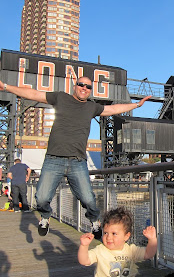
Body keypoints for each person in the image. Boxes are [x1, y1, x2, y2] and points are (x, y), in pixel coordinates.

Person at [0, 78, 151, 237]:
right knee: (42, 198)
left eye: (88, 86)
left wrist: (136, 105)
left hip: (77, 162)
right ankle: (45, 217)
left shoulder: (91, 107)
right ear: (75, 86)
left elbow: (112, 109)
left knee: (89, 199)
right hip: (54, 159)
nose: (84, 88)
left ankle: (94, 222)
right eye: (81, 84)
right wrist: (5, 85)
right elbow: (33, 94)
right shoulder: (61, 98)